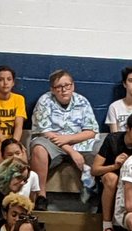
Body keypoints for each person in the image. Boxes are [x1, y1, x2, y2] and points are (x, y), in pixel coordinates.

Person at [30, 70, 99, 209]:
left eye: (67, 85)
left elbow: (91, 131)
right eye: (59, 87)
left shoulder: (82, 101)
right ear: (52, 89)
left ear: (73, 86)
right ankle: (40, 196)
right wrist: (71, 151)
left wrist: (69, 139)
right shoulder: (45, 101)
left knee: (100, 154)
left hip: (78, 142)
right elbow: (45, 132)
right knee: (38, 148)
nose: (64, 90)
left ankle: (95, 199)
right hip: (52, 143)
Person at [91, 111, 132, 231]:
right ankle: (107, 228)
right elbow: (95, 170)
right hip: (110, 180)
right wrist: (115, 166)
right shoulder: (112, 140)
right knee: (112, 178)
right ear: (128, 128)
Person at [0, 66, 27, 165]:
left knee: (22, 153)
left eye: (9, 79)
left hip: (13, 141)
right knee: (0, 152)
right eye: (1, 80)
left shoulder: (19, 99)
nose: (5, 82)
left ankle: (23, 175)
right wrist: (5, 144)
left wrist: (14, 144)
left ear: (13, 82)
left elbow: (19, 125)